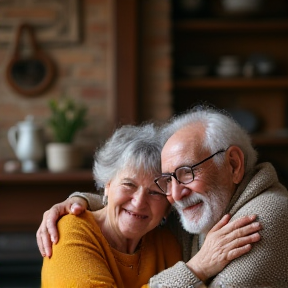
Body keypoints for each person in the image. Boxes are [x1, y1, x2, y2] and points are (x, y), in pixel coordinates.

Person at [37, 106, 268, 287]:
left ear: (169, 203)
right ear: (107, 185)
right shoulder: (69, 232)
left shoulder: (166, 242)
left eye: (155, 192)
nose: (139, 202)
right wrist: (197, 268)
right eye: (128, 185)